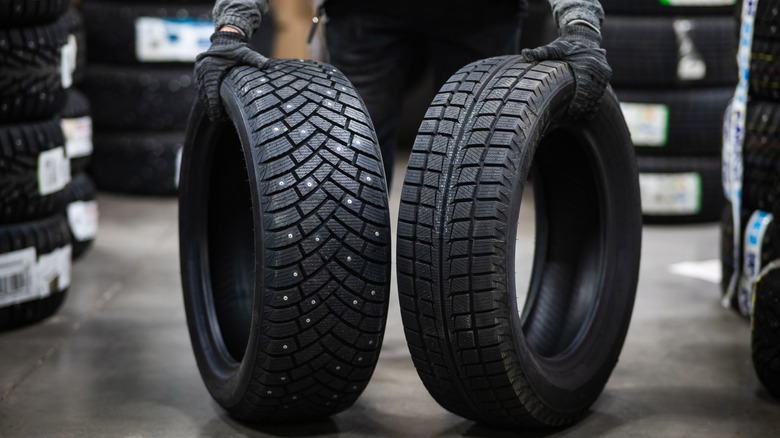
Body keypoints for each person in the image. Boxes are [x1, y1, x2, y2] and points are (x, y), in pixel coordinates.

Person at [195, 0, 611, 183]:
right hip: (366, 13)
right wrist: (232, 26)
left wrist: (580, 23)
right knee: (346, 171)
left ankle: (471, 316)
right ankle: (337, 316)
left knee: (478, 177)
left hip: (480, 12)